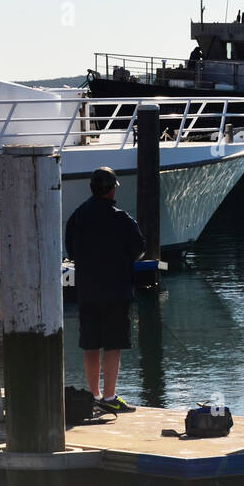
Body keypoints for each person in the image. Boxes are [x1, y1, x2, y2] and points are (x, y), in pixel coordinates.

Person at [65, 166, 145, 414]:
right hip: (115, 289)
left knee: (90, 343)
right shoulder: (120, 218)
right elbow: (139, 247)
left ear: (91, 188)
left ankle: (93, 395)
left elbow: (71, 251)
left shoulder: (77, 216)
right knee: (113, 344)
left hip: (87, 290)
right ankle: (109, 397)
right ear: (111, 191)